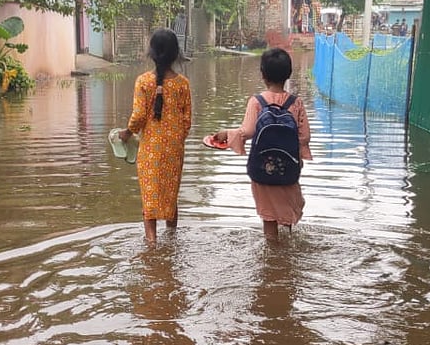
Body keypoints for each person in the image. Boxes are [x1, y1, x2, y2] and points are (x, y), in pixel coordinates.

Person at [213, 48, 313, 240]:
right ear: (288, 74)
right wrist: (297, 159)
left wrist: (227, 134)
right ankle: (286, 251)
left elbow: (247, 132)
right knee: (285, 213)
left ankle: (272, 254)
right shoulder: (297, 103)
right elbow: (304, 136)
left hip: (262, 168)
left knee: (268, 216)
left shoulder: (256, 102)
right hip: (287, 168)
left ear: (263, 75)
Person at [119, 29, 192, 242]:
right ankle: (171, 239)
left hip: (150, 149)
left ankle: (151, 245)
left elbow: (139, 116)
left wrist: (127, 133)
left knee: (149, 196)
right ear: (176, 54)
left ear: (152, 53)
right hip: (174, 150)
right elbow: (187, 122)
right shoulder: (183, 84)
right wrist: (175, 140)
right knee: (171, 196)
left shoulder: (143, 81)